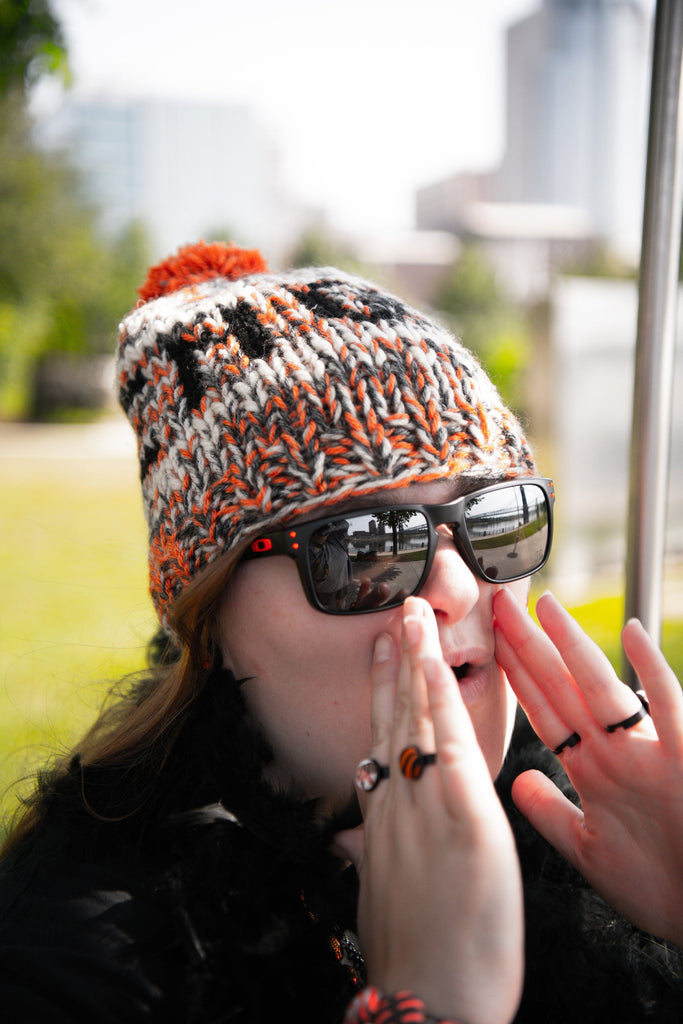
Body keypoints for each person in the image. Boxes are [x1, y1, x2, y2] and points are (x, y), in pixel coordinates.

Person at [0, 240, 681, 1024]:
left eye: (493, 518)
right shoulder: (72, 968)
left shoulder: (596, 827)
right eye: (368, 545)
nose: (458, 586)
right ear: (210, 617)